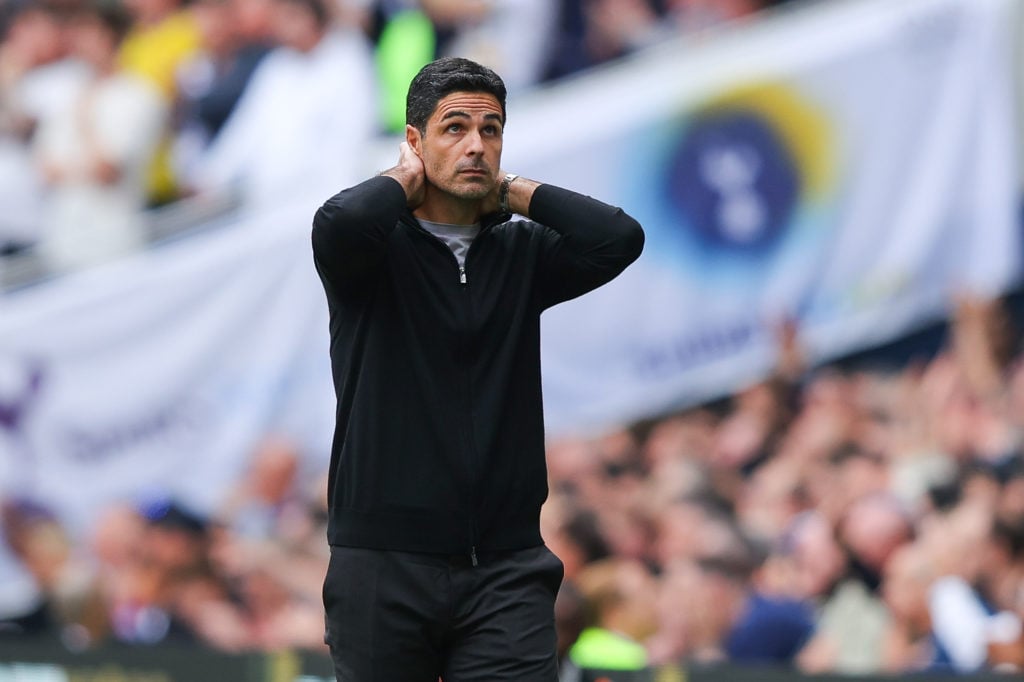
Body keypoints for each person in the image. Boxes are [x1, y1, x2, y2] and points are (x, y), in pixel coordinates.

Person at [311, 56, 644, 681]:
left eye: (491, 130)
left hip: (505, 566)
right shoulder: (371, 253)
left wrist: (510, 189)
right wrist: (403, 182)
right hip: (383, 564)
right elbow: (337, 222)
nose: (476, 145)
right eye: (454, 128)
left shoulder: (522, 251)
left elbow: (618, 238)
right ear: (414, 141)